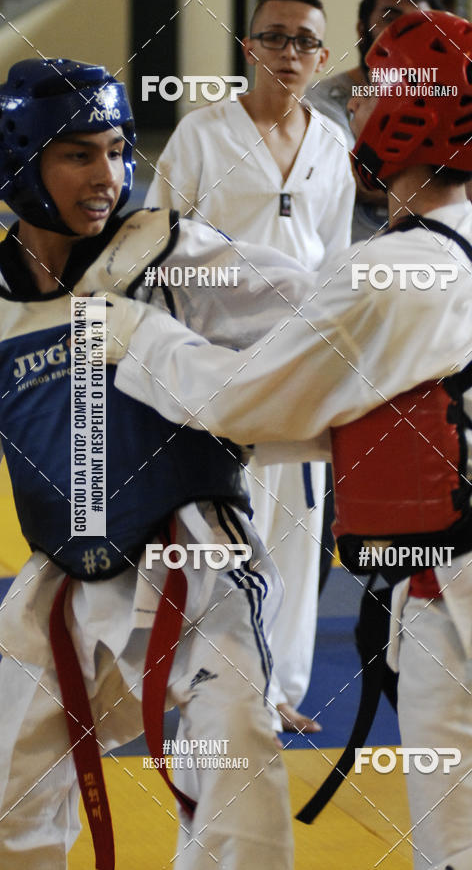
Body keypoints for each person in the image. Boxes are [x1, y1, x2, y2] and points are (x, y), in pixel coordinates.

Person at [107, 12, 472, 870]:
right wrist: (197, 255)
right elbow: (327, 310)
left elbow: (239, 400)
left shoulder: (389, 275)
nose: (358, 106)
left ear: (412, 117)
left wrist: (131, 339)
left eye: (373, 90)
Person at [0, 57, 317, 869]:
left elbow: (329, 316)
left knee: (239, 786)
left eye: (116, 150)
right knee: (7, 798)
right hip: (65, 579)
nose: (107, 175)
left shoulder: (170, 254)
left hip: (198, 562)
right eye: (78, 154)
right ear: (20, 161)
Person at [146, 0, 355, 734]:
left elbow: (338, 263)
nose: (290, 52)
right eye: (276, 37)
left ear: (322, 56)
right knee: (221, 532)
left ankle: (277, 688)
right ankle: (212, 681)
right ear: (249, 47)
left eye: (305, 41)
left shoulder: (333, 147)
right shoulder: (201, 137)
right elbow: (157, 251)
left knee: (298, 536)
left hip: (303, 365)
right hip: (219, 368)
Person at [305, 0, 472, 233]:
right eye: (391, 19)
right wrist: (433, 179)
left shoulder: (453, 97)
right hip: (351, 259)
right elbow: (343, 179)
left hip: (434, 257)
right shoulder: (321, 100)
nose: (405, 33)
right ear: (362, 30)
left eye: (420, 24)